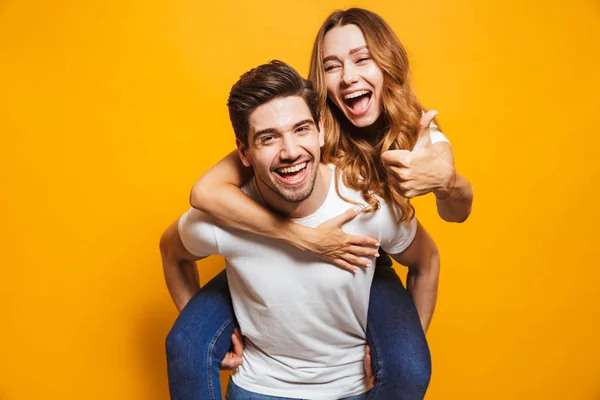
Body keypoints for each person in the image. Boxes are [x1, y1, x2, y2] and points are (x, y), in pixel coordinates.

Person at [173, 8, 475, 399]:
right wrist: (301, 237)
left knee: (407, 365)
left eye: (362, 58)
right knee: (184, 344)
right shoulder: (297, 120)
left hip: (365, 253)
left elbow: (455, 215)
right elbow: (204, 193)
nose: (348, 76)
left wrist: (446, 182)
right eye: (332, 66)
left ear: (387, 62)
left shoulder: (418, 130)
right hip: (276, 248)